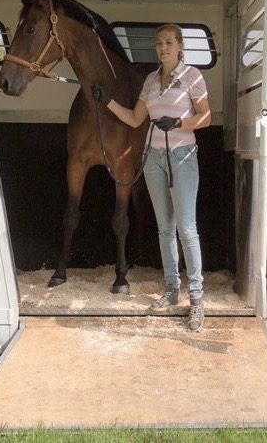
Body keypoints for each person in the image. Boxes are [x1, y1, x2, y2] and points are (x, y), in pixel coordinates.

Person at [92, 24, 211, 331]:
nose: (163, 48)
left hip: (182, 158)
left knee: (186, 228)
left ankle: (196, 299)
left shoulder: (192, 76)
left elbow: (206, 117)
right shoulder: (150, 80)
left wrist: (181, 121)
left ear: (181, 46)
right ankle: (172, 290)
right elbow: (134, 118)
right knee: (165, 229)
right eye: (159, 43)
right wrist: (105, 100)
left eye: (169, 43)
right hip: (153, 159)